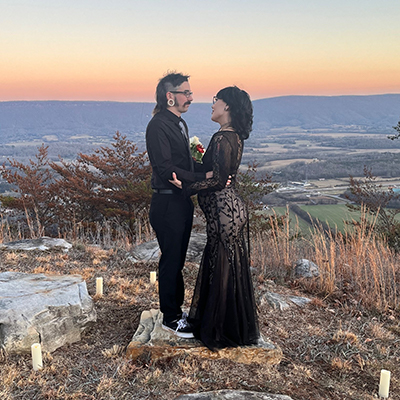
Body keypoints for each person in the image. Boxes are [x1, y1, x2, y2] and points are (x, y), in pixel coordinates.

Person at [169, 86, 260, 350]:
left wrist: (184, 188)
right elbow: (217, 174)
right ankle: (231, 327)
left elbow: (219, 180)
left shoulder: (222, 138)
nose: (212, 105)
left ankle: (219, 330)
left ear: (227, 106)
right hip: (230, 211)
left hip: (224, 213)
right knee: (227, 268)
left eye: (215, 100)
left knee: (220, 268)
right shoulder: (232, 136)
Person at [145, 72, 207, 338]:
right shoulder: (158, 125)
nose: (191, 98)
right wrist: (203, 177)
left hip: (180, 201)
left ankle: (175, 310)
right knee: (171, 260)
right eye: (186, 93)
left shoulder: (178, 123)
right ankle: (170, 318)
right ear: (170, 96)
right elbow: (165, 167)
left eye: (191, 93)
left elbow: (185, 165)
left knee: (177, 259)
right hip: (167, 203)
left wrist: (211, 170)